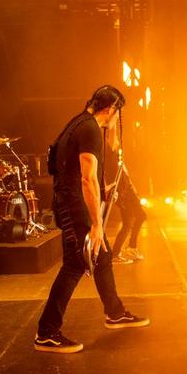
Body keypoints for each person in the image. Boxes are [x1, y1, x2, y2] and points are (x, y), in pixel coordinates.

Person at [36, 85, 149, 354]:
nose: (115, 118)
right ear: (110, 109)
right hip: (75, 207)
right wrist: (97, 223)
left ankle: (115, 312)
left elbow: (78, 173)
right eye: (116, 112)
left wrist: (103, 189)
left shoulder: (78, 122)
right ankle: (46, 332)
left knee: (103, 257)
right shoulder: (90, 129)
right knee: (75, 263)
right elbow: (86, 177)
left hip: (70, 201)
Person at [105, 121, 147, 264]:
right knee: (130, 221)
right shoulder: (109, 156)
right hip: (124, 194)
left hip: (128, 191)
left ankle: (129, 248)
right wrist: (114, 118)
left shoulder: (115, 157)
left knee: (138, 217)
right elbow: (113, 135)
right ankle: (118, 253)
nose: (116, 143)